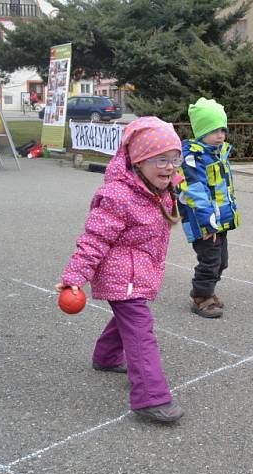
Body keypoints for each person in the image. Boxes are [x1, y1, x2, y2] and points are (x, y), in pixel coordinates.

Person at [58, 117, 185, 423]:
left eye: (174, 159)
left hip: (139, 270)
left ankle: (105, 357)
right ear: (138, 161)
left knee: (126, 319)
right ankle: (150, 397)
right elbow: (93, 239)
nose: (169, 167)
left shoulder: (158, 187)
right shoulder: (117, 196)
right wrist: (74, 278)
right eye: (160, 160)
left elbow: (172, 196)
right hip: (122, 275)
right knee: (140, 330)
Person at [177, 98, 239, 319]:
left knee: (222, 260)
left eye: (222, 129)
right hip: (203, 221)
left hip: (219, 219)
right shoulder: (193, 157)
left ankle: (206, 290)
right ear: (201, 131)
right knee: (210, 259)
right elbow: (195, 191)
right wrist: (207, 223)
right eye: (214, 130)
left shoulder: (218, 153)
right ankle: (201, 298)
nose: (220, 135)